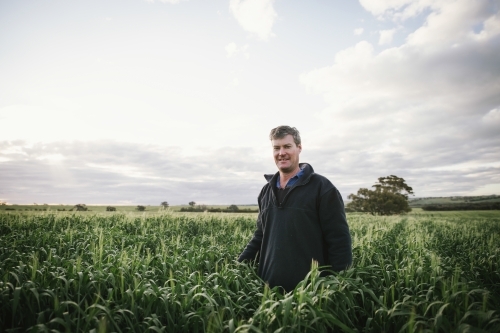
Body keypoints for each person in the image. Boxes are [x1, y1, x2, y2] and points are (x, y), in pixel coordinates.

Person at [238, 125, 352, 292]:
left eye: (287, 146)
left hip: (309, 294)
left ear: (299, 148)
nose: (281, 152)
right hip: (268, 293)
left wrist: (336, 286)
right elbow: (261, 235)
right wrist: (237, 266)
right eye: (276, 148)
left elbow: (339, 240)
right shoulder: (266, 191)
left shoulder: (322, 188)